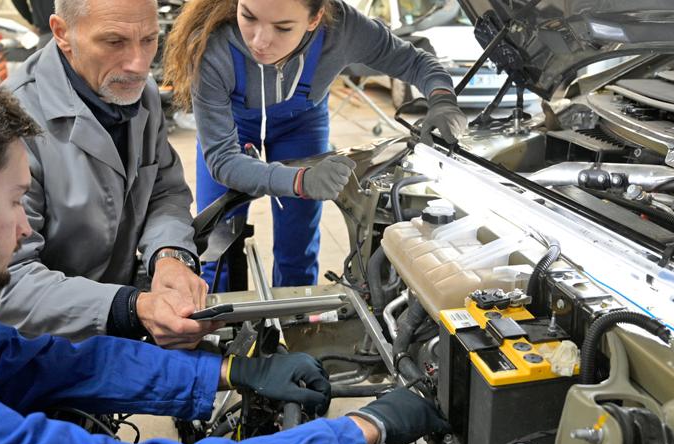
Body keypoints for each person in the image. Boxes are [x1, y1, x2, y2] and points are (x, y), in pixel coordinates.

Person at [0, 74, 451, 444]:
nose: (26, 227)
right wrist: (358, 429)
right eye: (14, 201)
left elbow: (56, 363)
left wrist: (233, 371)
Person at [0, 0, 216, 349]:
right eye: (114, 42)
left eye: (149, 40)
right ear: (62, 33)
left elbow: (164, 191)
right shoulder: (7, 125)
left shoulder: (139, 94)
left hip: (111, 316)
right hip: (19, 342)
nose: (138, 64)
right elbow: (0, 281)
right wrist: (128, 307)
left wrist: (170, 257)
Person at [163, 0, 467, 291]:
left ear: (315, 18)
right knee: (216, 241)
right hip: (232, 124)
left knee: (298, 241)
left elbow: (415, 61)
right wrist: (299, 179)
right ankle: (216, 331)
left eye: (282, 28)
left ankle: (296, 326)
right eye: (249, 16)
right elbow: (223, 161)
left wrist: (441, 98)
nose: (260, 41)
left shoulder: (344, 29)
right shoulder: (210, 45)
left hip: (301, 124)